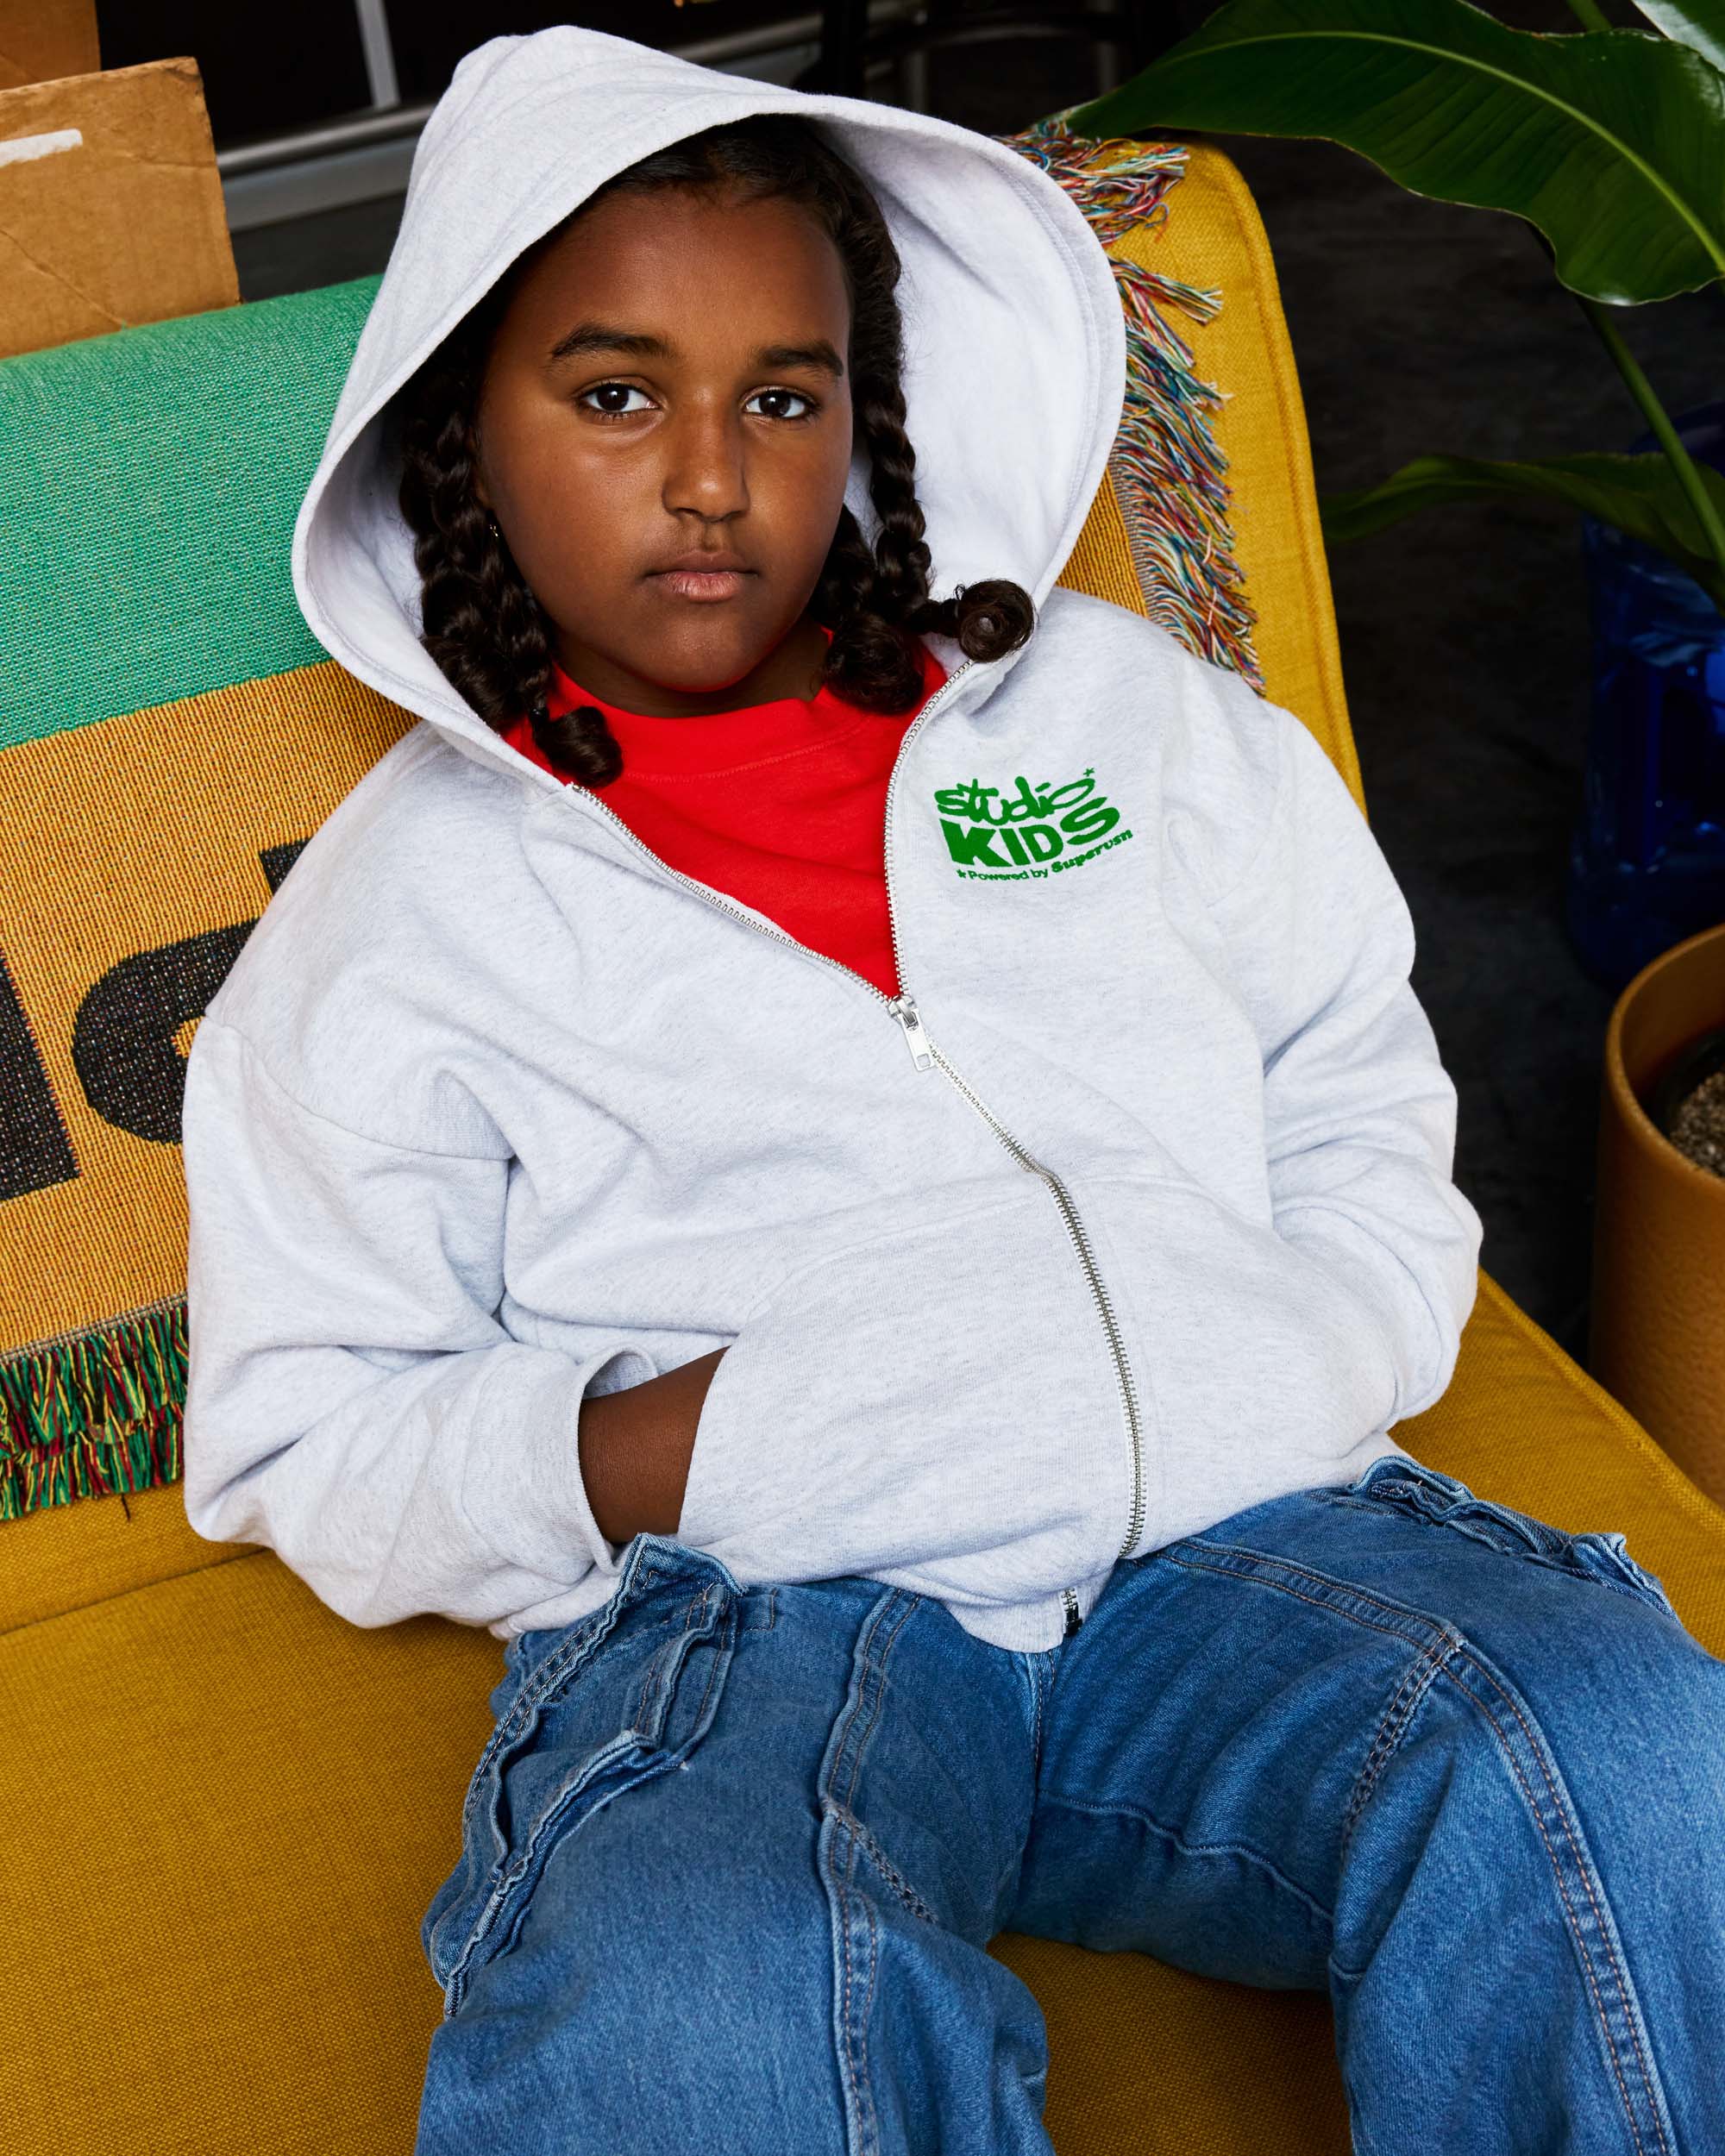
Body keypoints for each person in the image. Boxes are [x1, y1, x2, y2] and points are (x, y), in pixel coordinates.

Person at [177, 26, 1725, 2156]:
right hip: (767, 1622)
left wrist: (1307, 1333)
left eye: (781, 397)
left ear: (865, 416)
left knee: (1621, 1739)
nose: (709, 475)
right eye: (615, 395)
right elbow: (303, 1431)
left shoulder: (1119, 720)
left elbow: (1343, 1063)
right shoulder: (400, 922)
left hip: (1249, 1559)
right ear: (461, 428)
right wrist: (685, 1440)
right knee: (704, 1994)